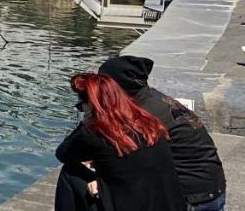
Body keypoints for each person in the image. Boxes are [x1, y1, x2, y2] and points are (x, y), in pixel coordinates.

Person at [100, 55, 227, 211]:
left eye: (102, 83)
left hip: (190, 196)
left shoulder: (143, 114)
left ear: (115, 86)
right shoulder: (155, 99)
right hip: (212, 186)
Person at [55, 72, 184, 211]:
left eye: (81, 106)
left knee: (69, 172)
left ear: (93, 105)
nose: (80, 110)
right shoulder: (148, 122)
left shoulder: (93, 133)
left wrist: (87, 120)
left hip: (127, 203)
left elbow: (62, 153)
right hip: (168, 203)